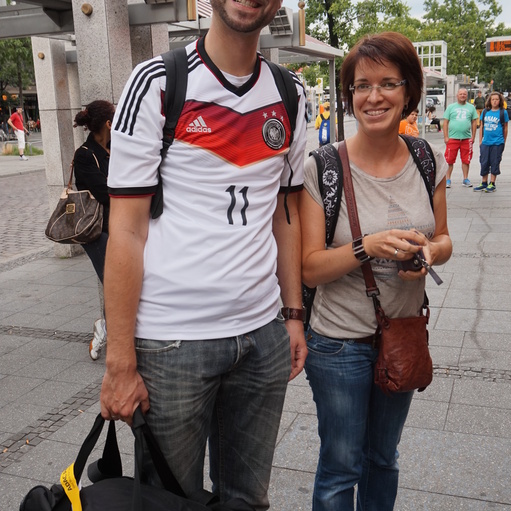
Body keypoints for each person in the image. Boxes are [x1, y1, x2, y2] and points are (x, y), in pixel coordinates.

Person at [100, 0, 308, 508]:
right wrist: (120, 360)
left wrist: (294, 314)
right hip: (172, 343)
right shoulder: (156, 82)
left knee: (247, 500)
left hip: (262, 337)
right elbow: (124, 231)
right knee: (169, 502)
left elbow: (286, 214)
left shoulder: (291, 93)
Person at [300, 32, 452, 511]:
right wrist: (366, 246)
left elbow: (444, 239)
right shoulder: (324, 167)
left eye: (388, 83)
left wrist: (429, 252)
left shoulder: (427, 159)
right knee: (341, 465)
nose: (374, 96)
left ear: (409, 92)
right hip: (338, 342)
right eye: (362, 86)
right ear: (349, 96)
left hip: (402, 333)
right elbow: (309, 268)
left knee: (383, 458)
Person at [73, 100, 115, 360]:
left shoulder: (115, 148)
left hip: (120, 227)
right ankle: (105, 329)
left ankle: (108, 326)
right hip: (97, 231)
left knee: (121, 282)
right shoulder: (85, 154)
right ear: (109, 124)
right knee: (114, 283)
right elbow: (106, 192)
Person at [474, 91, 509, 193]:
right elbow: (481, 126)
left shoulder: (503, 112)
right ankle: (484, 182)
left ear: (500, 101)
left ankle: (492, 183)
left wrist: (504, 140)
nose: (495, 101)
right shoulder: (485, 111)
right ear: (489, 101)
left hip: (497, 142)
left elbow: (505, 127)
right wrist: (480, 140)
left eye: (497, 99)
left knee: (495, 162)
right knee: (484, 162)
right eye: (493, 99)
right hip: (485, 142)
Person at [443, 88, 478, 188]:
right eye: (461, 94)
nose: (462, 96)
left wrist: (473, 136)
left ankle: (465, 179)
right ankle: (448, 179)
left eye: (464, 94)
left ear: (467, 96)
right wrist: (446, 136)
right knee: (449, 160)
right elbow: (445, 122)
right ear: (457, 95)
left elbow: (474, 122)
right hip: (453, 138)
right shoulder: (451, 107)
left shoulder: (471, 107)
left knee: (466, 160)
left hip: (466, 138)